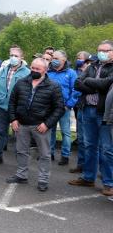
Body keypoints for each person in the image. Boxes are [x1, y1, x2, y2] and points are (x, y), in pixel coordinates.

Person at [6, 58, 65, 192]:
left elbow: (59, 108)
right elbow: (12, 103)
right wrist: (13, 119)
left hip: (41, 126)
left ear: (45, 70)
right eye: (33, 68)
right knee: (21, 151)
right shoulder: (21, 83)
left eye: (38, 69)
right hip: (22, 124)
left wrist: (47, 124)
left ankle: (43, 180)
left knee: (44, 154)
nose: (34, 71)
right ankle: (21, 175)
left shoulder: (53, 86)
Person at [69, 40, 113, 197]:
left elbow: (107, 84)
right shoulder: (92, 65)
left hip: (104, 113)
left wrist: (89, 83)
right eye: (100, 49)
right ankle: (88, 177)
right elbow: (77, 82)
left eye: (106, 50)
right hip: (87, 110)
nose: (102, 52)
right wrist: (95, 85)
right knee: (89, 145)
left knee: (107, 149)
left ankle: (109, 183)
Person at [0, 46, 31, 164]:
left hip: (18, 109)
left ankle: (20, 160)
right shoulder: (4, 69)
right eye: (11, 55)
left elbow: (30, 91)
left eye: (16, 56)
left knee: (19, 135)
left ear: (22, 58)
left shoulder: (27, 73)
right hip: (1, 107)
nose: (13, 58)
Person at [46, 50, 80, 165]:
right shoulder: (48, 72)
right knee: (50, 131)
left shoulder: (71, 73)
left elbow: (76, 91)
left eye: (56, 58)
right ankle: (49, 153)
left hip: (64, 108)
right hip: (50, 108)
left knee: (66, 132)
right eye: (53, 58)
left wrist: (68, 105)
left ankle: (65, 155)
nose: (53, 60)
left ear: (64, 60)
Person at [70, 51, 92, 173]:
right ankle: (81, 165)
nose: (78, 60)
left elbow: (93, 88)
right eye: (77, 58)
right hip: (80, 106)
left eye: (81, 59)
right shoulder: (76, 71)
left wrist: (84, 84)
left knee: (92, 141)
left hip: (93, 108)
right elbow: (76, 85)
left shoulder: (92, 72)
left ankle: (95, 169)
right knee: (82, 138)